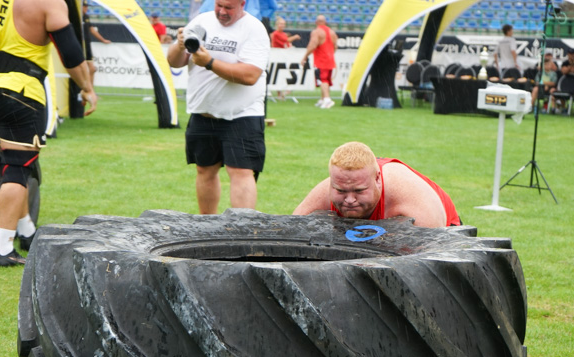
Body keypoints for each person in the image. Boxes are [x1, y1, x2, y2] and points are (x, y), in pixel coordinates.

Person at [0, 0, 97, 266]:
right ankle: (4, 250)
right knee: (16, 167)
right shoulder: (48, 3)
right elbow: (70, 53)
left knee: (18, 164)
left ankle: (27, 231)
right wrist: (87, 87)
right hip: (22, 92)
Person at [166, 0, 269, 215]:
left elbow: (250, 75)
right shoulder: (201, 21)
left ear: (242, 4)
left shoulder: (254, 29)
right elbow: (174, 62)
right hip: (203, 112)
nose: (222, 11)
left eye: (228, 7)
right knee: (204, 169)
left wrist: (210, 62)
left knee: (240, 171)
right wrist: (179, 44)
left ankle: (243, 230)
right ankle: (207, 227)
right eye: (219, 5)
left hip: (242, 113)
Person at [294, 141, 462, 228]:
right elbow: (290, 234)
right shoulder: (326, 192)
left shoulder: (407, 195)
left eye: (359, 191)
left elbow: (434, 252)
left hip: (446, 227)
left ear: (377, 180)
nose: (350, 199)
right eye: (341, 191)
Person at [301, 15, 337, 109]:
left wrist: (305, 56)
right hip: (330, 59)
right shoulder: (332, 32)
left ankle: (327, 99)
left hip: (321, 60)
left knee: (323, 80)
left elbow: (312, 45)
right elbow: (335, 46)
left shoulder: (317, 32)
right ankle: (322, 99)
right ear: (325, 22)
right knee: (326, 80)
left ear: (316, 22)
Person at [270, 16, 299, 101]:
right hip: (277, 57)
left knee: (284, 75)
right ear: (277, 24)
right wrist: (295, 37)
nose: (282, 25)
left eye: (283, 24)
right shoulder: (276, 34)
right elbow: (286, 40)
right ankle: (279, 94)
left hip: (283, 57)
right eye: (281, 24)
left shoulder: (282, 34)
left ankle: (283, 93)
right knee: (278, 75)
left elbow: (286, 44)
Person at [83, 1, 111, 86]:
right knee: (82, 70)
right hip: (80, 45)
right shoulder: (75, 17)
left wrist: (103, 40)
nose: (86, 8)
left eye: (87, 6)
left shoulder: (86, 16)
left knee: (92, 69)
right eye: (85, 6)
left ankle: (90, 90)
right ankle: (83, 91)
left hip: (87, 45)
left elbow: (92, 30)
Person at [553, 49, 574, 114]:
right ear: (568, 54)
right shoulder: (565, 63)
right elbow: (564, 71)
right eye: (570, 54)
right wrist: (571, 66)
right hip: (566, 84)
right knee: (561, 92)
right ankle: (564, 108)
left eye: (573, 54)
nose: (572, 56)